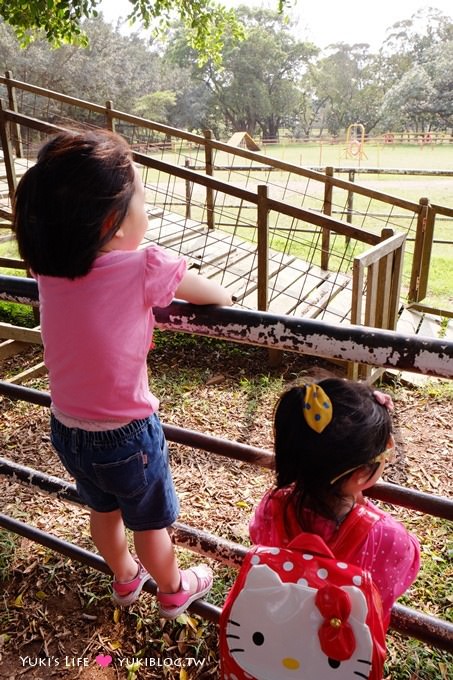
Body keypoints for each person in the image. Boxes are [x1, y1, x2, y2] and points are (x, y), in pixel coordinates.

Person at [13, 128, 232, 617]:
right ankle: (174, 588)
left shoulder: (48, 270)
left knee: (103, 512)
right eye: (144, 204)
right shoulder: (143, 266)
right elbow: (216, 295)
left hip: (68, 426)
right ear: (113, 221)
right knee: (150, 524)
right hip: (127, 433)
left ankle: (124, 577)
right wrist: (226, 299)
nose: (149, 215)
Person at [249, 378, 420, 628]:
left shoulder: (272, 506)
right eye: (387, 450)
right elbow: (402, 574)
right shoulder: (387, 538)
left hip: (281, 634)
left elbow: (257, 537)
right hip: (342, 656)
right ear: (361, 474)